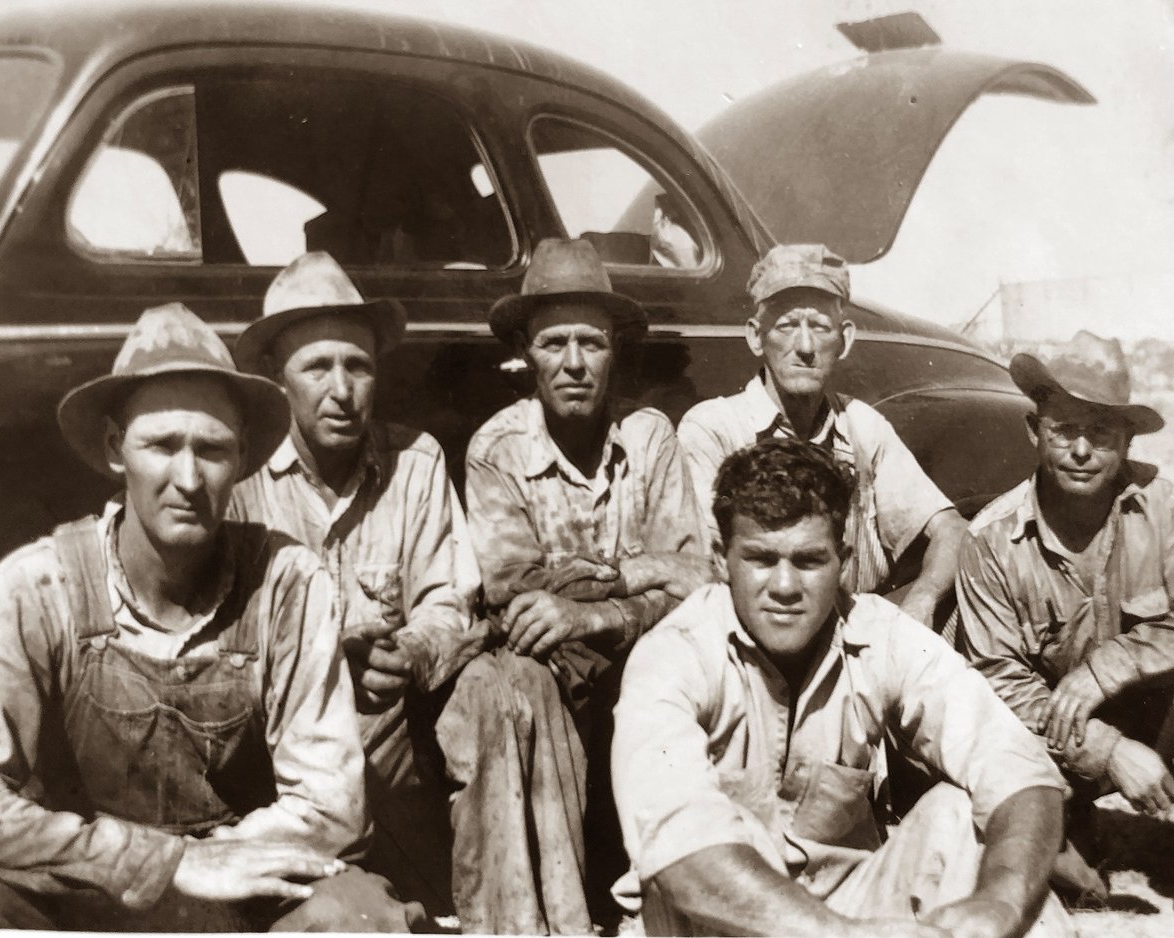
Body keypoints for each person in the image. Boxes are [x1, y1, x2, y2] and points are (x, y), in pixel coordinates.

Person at [0, 303, 415, 931]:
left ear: (241, 462)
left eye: (212, 450)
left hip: (241, 893)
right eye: (161, 445)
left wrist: (210, 867)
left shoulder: (287, 584)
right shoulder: (37, 587)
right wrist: (162, 863)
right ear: (114, 448)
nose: (187, 477)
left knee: (360, 917)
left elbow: (330, 806)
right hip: (86, 892)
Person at [231, 251, 582, 934]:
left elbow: (448, 600)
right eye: (316, 368)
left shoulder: (413, 461)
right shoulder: (241, 483)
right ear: (279, 382)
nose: (342, 390)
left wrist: (414, 651)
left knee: (497, 682)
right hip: (278, 742)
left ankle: (507, 924)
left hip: (389, 725)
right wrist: (322, 657)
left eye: (358, 366)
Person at [612, 436, 1072, 938]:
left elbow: (1017, 765)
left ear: (843, 560)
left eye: (809, 560)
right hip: (719, 921)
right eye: (762, 559)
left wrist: (999, 903)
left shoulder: (881, 634)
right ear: (722, 559)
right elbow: (683, 855)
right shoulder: (673, 655)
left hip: (849, 906)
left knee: (960, 816)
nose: (785, 587)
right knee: (699, 854)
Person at [465, 237, 711, 929]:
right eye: (553, 344)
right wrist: (637, 584)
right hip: (560, 682)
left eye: (591, 343)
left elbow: (698, 578)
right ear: (524, 352)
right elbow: (515, 595)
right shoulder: (497, 451)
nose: (574, 364)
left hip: (647, 666)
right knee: (514, 682)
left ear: (615, 350)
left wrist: (595, 601)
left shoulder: (651, 437)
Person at [957, 338, 1174, 901]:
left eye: (1101, 434)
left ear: (1126, 441)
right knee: (1072, 888)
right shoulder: (990, 542)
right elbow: (999, 682)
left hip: (1155, 707)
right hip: (1057, 740)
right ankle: (1071, 827)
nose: (1081, 450)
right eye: (1063, 430)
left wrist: (1106, 669)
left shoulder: (1167, 510)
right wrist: (1108, 751)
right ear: (1035, 431)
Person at [677, 243, 965, 626]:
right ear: (755, 336)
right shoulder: (714, 428)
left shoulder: (861, 426)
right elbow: (705, 571)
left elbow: (951, 529)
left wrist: (923, 601)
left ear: (844, 339)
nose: (806, 347)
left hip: (858, 634)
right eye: (787, 325)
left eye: (819, 326)